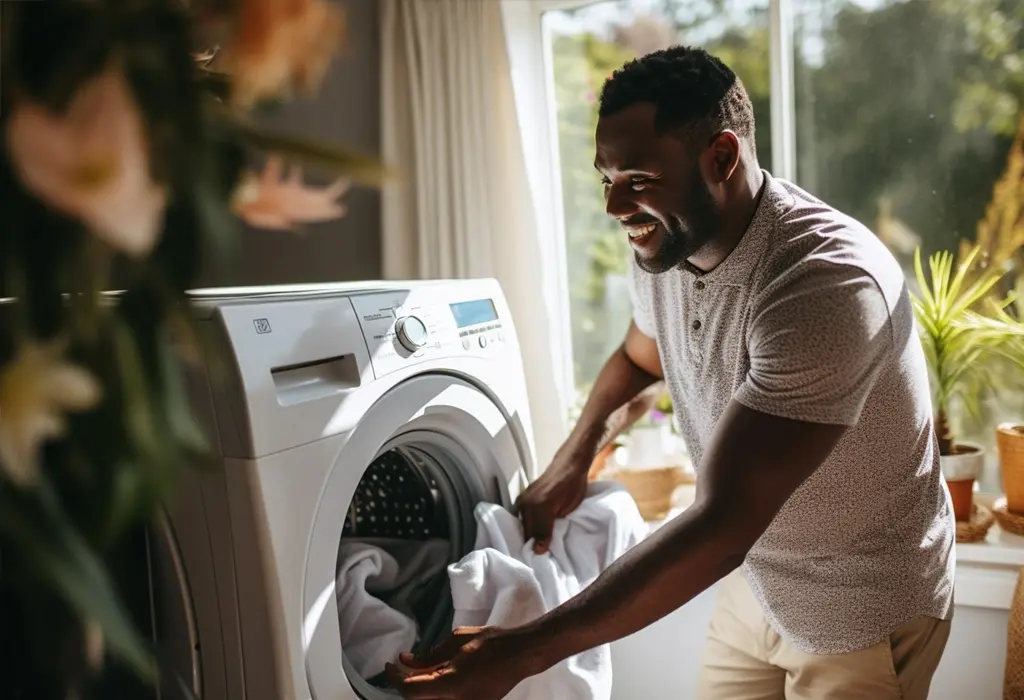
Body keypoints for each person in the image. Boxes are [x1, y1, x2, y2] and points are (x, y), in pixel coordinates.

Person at [388, 45, 955, 700]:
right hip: (757, 585)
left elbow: (721, 525)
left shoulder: (822, 287)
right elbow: (638, 360)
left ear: (721, 158)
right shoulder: (666, 244)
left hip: (860, 606)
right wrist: (577, 455)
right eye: (606, 178)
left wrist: (519, 652)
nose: (614, 207)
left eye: (637, 178)